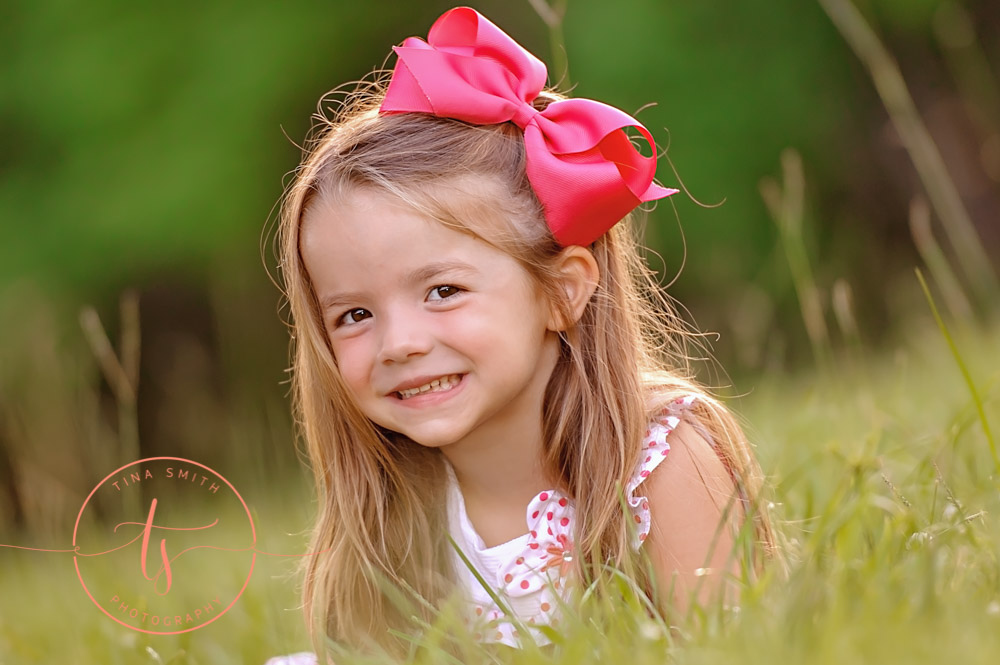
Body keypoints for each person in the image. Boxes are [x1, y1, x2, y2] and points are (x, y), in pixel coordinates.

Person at [266, 6, 774, 663]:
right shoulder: (393, 513)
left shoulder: (657, 465)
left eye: (442, 291)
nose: (399, 342)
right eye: (354, 315)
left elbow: (736, 649)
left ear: (561, 291)